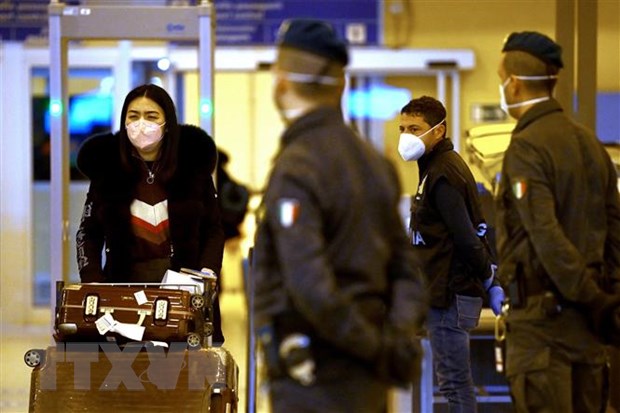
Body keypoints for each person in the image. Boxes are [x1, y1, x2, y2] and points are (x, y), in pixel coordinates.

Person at [252, 18, 427, 413]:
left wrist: (371, 347)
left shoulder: (297, 167)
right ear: (342, 85)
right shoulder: (375, 163)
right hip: (368, 381)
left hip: (313, 381)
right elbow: (406, 271)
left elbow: (309, 284)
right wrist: (393, 343)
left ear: (280, 82)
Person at [495, 31, 620, 412]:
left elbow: (545, 234)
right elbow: (615, 229)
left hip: (543, 333)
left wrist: (591, 296)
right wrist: (607, 300)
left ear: (512, 84)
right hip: (589, 332)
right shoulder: (590, 144)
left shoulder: (527, 146)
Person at [75, 83, 226, 344]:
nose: (141, 124)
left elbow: (213, 229)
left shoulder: (192, 168)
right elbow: (88, 232)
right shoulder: (107, 172)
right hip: (124, 294)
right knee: (126, 376)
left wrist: (208, 274)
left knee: (186, 377)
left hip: (184, 293)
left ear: (167, 123)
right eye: (133, 116)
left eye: (151, 116)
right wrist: (92, 281)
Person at [399, 95, 505, 412]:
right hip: (442, 293)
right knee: (453, 384)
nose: (406, 136)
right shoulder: (435, 169)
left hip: (450, 294)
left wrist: (490, 280)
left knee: (455, 386)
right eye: (402, 128)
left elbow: (467, 237)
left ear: (438, 131)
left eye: (414, 128)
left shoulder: (443, 174)